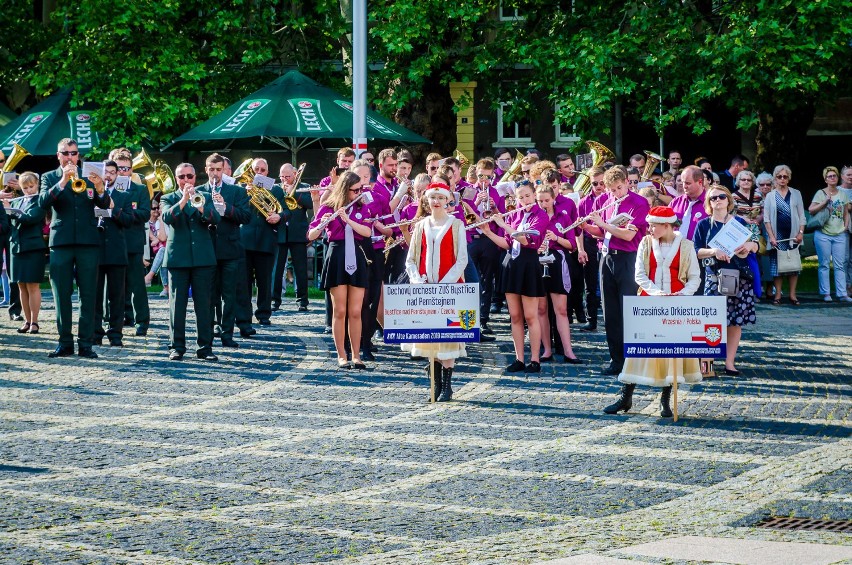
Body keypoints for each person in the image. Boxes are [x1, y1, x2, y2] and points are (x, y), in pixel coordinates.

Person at [606, 207, 702, 416]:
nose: (648, 229)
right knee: (639, 349)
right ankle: (626, 397)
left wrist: (683, 295)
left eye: (653, 226)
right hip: (649, 303)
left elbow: (695, 277)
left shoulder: (686, 246)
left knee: (670, 352)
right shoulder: (646, 243)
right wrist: (656, 293)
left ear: (666, 226)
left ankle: (665, 401)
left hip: (676, 305)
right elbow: (639, 274)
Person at [39, 138, 113, 359]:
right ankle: (64, 343)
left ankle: (86, 344)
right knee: (61, 294)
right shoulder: (49, 177)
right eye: (66, 153)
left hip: (88, 241)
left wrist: (100, 189)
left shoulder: (90, 174)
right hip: (60, 241)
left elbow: (104, 205)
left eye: (74, 153)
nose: (71, 157)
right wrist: (63, 181)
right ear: (58, 155)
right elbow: (42, 202)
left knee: (88, 294)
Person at [403, 182, 469, 401]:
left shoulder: (456, 224)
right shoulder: (421, 225)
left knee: (447, 337)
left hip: (449, 291)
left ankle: (447, 386)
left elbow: (461, 260)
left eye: (441, 198)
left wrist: (445, 283)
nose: (437, 202)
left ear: (447, 200)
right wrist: (417, 280)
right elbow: (411, 259)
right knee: (431, 339)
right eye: (433, 198)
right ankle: (435, 385)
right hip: (426, 290)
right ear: (427, 200)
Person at [582, 165, 650, 377]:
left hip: (629, 259)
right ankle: (616, 359)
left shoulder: (639, 203)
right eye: (611, 190)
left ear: (627, 183)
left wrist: (603, 224)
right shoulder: (605, 201)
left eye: (618, 188)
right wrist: (585, 226)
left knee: (628, 309)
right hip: (607, 257)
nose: (615, 193)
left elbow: (628, 236)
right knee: (610, 311)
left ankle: (634, 359)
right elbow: (601, 233)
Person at [481, 179, 548, 373]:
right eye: (521, 197)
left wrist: (503, 224)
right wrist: (488, 232)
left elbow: (525, 239)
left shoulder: (541, 215)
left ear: (534, 195)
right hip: (511, 265)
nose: (525, 200)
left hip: (529, 265)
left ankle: (535, 359)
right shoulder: (515, 215)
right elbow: (507, 243)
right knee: (515, 316)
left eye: (527, 195)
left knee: (530, 315)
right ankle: (519, 358)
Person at [308, 171, 373, 369]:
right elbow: (311, 235)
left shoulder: (362, 208)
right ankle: (341, 355)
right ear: (344, 189)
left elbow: (367, 232)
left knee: (355, 311)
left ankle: (356, 355)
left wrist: (348, 220)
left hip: (357, 256)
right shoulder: (328, 207)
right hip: (337, 256)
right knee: (340, 310)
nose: (358, 193)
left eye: (360, 189)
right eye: (355, 190)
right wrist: (323, 222)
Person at [694, 185, 759, 376]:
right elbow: (696, 250)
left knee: (735, 322)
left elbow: (757, 244)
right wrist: (714, 251)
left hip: (739, 277)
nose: (717, 200)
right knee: (710, 322)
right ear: (708, 203)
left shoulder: (740, 222)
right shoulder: (704, 224)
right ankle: (707, 365)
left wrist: (748, 245)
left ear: (728, 200)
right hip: (714, 277)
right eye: (713, 198)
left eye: (721, 197)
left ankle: (730, 362)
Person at [162, 163, 221, 360]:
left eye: (189, 176)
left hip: (203, 258)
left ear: (195, 177)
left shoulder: (205, 195)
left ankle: (205, 347)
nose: (186, 180)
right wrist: (184, 200)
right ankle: (176, 347)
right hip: (178, 258)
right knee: (177, 306)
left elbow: (216, 218)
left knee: (204, 305)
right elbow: (166, 217)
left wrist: (200, 205)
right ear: (177, 178)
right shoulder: (168, 197)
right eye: (182, 176)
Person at [205, 153, 252, 346]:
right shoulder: (200, 190)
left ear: (224, 170)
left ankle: (227, 334)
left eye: (219, 170)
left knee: (229, 294)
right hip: (207, 250)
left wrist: (226, 208)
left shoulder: (236, 191)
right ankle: (208, 331)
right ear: (206, 169)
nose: (215, 174)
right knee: (209, 294)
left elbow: (246, 216)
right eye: (212, 170)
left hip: (231, 249)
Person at [535, 183, 583, 364]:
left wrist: (556, 238)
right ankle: (547, 350)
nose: (543, 204)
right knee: (541, 309)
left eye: (546, 200)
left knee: (561, 310)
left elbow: (571, 245)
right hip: (538, 262)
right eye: (540, 201)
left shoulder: (562, 217)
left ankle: (568, 351)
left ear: (553, 199)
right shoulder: (532, 217)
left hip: (557, 261)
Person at [91, 161, 134, 347]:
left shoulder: (124, 196)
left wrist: (113, 209)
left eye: (111, 173)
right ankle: (95, 333)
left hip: (116, 251)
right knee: (95, 295)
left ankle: (115, 334)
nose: (108, 176)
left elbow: (128, 221)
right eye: (105, 173)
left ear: (117, 175)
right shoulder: (90, 194)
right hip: (96, 249)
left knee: (117, 296)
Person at [110, 149, 151, 336]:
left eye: (126, 168)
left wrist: (124, 214)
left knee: (137, 284)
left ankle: (142, 321)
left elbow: (145, 214)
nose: (122, 172)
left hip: (133, 241)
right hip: (113, 241)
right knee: (113, 284)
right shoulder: (106, 189)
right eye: (118, 168)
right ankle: (115, 318)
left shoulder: (140, 189)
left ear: (131, 170)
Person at [7, 172, 47, 334]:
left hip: (33, 248)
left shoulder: (40, 201)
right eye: (25, 188)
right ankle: (27, 320)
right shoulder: (18, 202)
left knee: (32, 286)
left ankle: (35, 322)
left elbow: (30, 218)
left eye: (31, 187)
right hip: (17, 247)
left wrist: (12, 211)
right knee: (21, 285)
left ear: (37, 185)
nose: (29, 190)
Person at [271, 163, 313, 312]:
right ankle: (274, 300)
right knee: (277, 269)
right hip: (280, 231)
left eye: (287, 176)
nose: (284, 179)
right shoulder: (276, 188)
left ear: (295, 174)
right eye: (282, 176)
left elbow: (310, 204)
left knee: (300, 269)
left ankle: (302, 300)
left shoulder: (304, 186)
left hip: (298, 233)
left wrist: (293, 193)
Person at [762, 165, 805, 305]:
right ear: (775, 178)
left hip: (793, 235)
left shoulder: (796, 193)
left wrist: (801, 233)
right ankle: (778, 295)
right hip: (777, 236)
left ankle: (793, 295)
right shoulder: (770, 196)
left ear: (789, 178)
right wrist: (771, 237)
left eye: (785, 176)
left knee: (793, 267)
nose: (782, 179)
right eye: (779, 176)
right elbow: (766, 219)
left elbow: (802, 216)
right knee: (777, 267)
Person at [808, 166, 851, 302]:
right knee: (824, 264)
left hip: (839, 234)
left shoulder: (842, 194)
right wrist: (825, 201)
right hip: (823, 234)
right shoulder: (820, 193)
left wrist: (845, 227)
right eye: (830, 176)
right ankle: (826, 293)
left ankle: (842, 293)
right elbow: (811, 210)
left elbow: (845, 212)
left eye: (835, 176)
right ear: (825, 179)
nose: (832, 178)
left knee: (840, 264)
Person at [576, 166, 607, 332]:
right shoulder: (583, 202)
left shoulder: (610, 199)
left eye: (602, 183)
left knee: (606, 284)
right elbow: (578, 229)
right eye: (595, 183)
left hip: (606, 243)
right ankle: (591, 320)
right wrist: (581, 249)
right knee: (589, 284)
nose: (599, 186)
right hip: (589, 244)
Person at [0, 149, 23, 321]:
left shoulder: (16, 178)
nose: (0, 165)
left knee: (14, 270)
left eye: (1, 161)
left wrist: (21, 189)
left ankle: (15, 310)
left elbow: (31, 198)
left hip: (13, 226)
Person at [144, 196, 169, 296]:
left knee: (163, 252)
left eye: (158, 208)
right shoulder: (147, 222)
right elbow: (155, 239)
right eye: (154, 208)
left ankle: (151, 276)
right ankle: (165, 287)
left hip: (163, 248)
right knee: (163, 251)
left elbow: (160, 239)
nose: (157, 210)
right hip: (151, 250)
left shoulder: (162, 220)